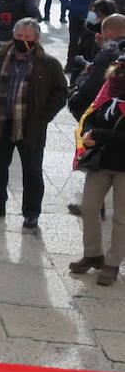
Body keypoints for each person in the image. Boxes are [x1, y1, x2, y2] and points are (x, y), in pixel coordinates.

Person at [0, 19, 70, 230]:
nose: (22, 41)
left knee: (32, 171)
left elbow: (61, 92)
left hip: (31, 127)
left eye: (27, 38)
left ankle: (31, 213)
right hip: (1, 123)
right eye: (19, 37)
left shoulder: (48, 63)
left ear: (36, 39)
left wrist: (44, 116)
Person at [69, 66, 125, 286]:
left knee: (121, 218)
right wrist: (88, 132)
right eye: (120, 68)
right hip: (101, 162)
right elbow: (91, 114)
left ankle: (112, 263)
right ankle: (93, 254)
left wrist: (100, 135)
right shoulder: (109, 91)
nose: (120, 74)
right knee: (88, 207)